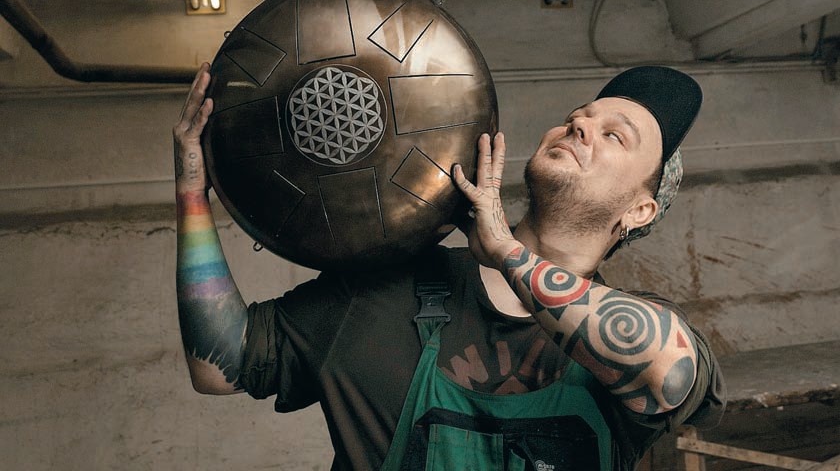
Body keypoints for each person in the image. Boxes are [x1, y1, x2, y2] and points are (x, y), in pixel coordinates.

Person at [173, 62, 724, 471]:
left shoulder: (639, 331)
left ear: (640, 210)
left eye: (614, 135)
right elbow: (221, 363)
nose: (579, 126)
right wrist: (192, 191)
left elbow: (668, 371)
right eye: (576, 118)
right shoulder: (385, 283)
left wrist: (505, 250)